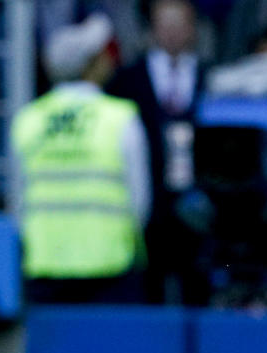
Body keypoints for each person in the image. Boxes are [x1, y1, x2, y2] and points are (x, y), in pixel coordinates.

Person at [11, 13, 151, 304]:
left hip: (46, 267)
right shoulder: (120, 118)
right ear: (92, 64)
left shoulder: (28, 119)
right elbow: (140, 201)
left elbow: (18, 202)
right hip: (111, 266)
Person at [107, 0, 205, 303]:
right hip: (149, 200)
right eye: (166, 25)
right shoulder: (126, 79)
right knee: (149, 289)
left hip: (197, 200)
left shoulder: (211, 77)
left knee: (197, 285)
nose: (173, 33)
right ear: (152, 29)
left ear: (192, 29)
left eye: (180, 25)